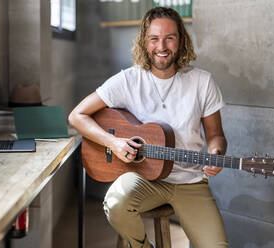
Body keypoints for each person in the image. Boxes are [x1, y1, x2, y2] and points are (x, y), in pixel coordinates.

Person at [69, 6, 228, 248]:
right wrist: (113, 142)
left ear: (181, 40)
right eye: (154, 38)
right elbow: (77, 115)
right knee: (115, 203)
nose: (162, 46)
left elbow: (216, 135)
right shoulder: (128, 80)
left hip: (190, 182)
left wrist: (216, 153)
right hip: (142, 179)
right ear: (145, 42)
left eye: (169, 38)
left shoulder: (202, 82)